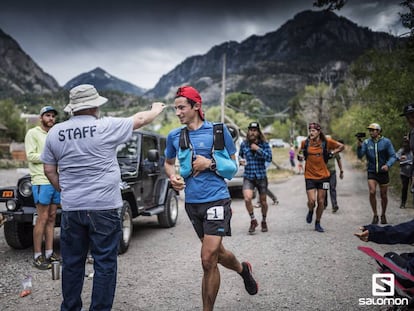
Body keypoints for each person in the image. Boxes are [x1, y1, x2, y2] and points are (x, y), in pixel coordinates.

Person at [41, 84, 165, 311]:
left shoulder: (55, 133)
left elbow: (49, 170)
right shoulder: (105, 126)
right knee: (105, 262)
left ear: (73, 108)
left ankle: (70, 308)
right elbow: (138, 119)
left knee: (72, 263)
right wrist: (156, 108)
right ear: (94, 106)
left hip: (72, 208)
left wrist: (66, 190)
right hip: (104, 208)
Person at [164, 86, 258, 311]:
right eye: (175, 108)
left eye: (181, 107)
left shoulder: (218, 131)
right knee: (217, 254)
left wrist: (210, 163)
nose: (177, 113)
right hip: (192, 203)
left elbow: (233, 165)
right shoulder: (175, 136)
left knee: (207, 259)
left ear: (196, 106)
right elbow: (168, 164)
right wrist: (173, 177)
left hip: (217, 199)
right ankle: (243, 269)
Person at [25, 106, 61, 270]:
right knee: (42, 217)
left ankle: (49, 252)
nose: (51, 118)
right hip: (41, 180)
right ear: (41, 118)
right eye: (48, 115)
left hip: (55, 180)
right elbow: (30, 155)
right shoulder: (33, 133)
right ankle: (37, 256)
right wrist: (50, 157)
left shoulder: (54, 134)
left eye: (53, 116)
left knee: (52, 217)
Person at [299, 122, 344, 233]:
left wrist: (332, 152)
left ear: (319, 132)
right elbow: (300, 153)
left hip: (324, 176)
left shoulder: (326, 142)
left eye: (313, 130)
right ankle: (310, 210)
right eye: (310, 130)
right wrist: (299, 156)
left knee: (321, 201)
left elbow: (341, 146)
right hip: (309, 175)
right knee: (312, 201)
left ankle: (318, 222)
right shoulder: (305, 143)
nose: (311, 132)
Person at [357, 123, 396, 225]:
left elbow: (393, 156)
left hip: (383, 172)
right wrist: (359, 147)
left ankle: (383, 214)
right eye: (369, 130)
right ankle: (375, 215)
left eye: (373, 130)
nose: (371, 132)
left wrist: (388, 165)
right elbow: (360, 156)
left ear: (378, 131)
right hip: (372, 171)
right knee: (372, 192)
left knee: (383, 195)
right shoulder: (366, 142)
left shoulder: (386, 142)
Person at [239, 122, 273, 233]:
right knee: (247, 198)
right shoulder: (244, 144)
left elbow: (269, 158)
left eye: (254, 130)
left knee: (263, 202)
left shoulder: (264, 144)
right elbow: (240, 155)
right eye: (250, 130)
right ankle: (253, 220)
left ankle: (263, 220)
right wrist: (240, 161)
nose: (252, 132)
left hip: (261, 176)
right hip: (248, 176)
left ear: (258, 132)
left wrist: (258, 149)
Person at [323, 137, 344, 213]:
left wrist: (341, 171)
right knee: (325, 189)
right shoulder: (322, 150)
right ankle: (324, 204)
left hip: (332, 172)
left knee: (332, 188)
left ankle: (334, 205)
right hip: (324, 174)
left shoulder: (335, 151)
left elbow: (339, 160)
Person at [396, 136, 413, 209]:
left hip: (412, 173)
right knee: (404, 188)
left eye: (407, 142)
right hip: (404, 173)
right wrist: (400, 158)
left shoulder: (412, 151)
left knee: (413, 188)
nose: (405, 144)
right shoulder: (401, 150)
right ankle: (403, 203)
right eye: (404, 142)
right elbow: (395, 156)